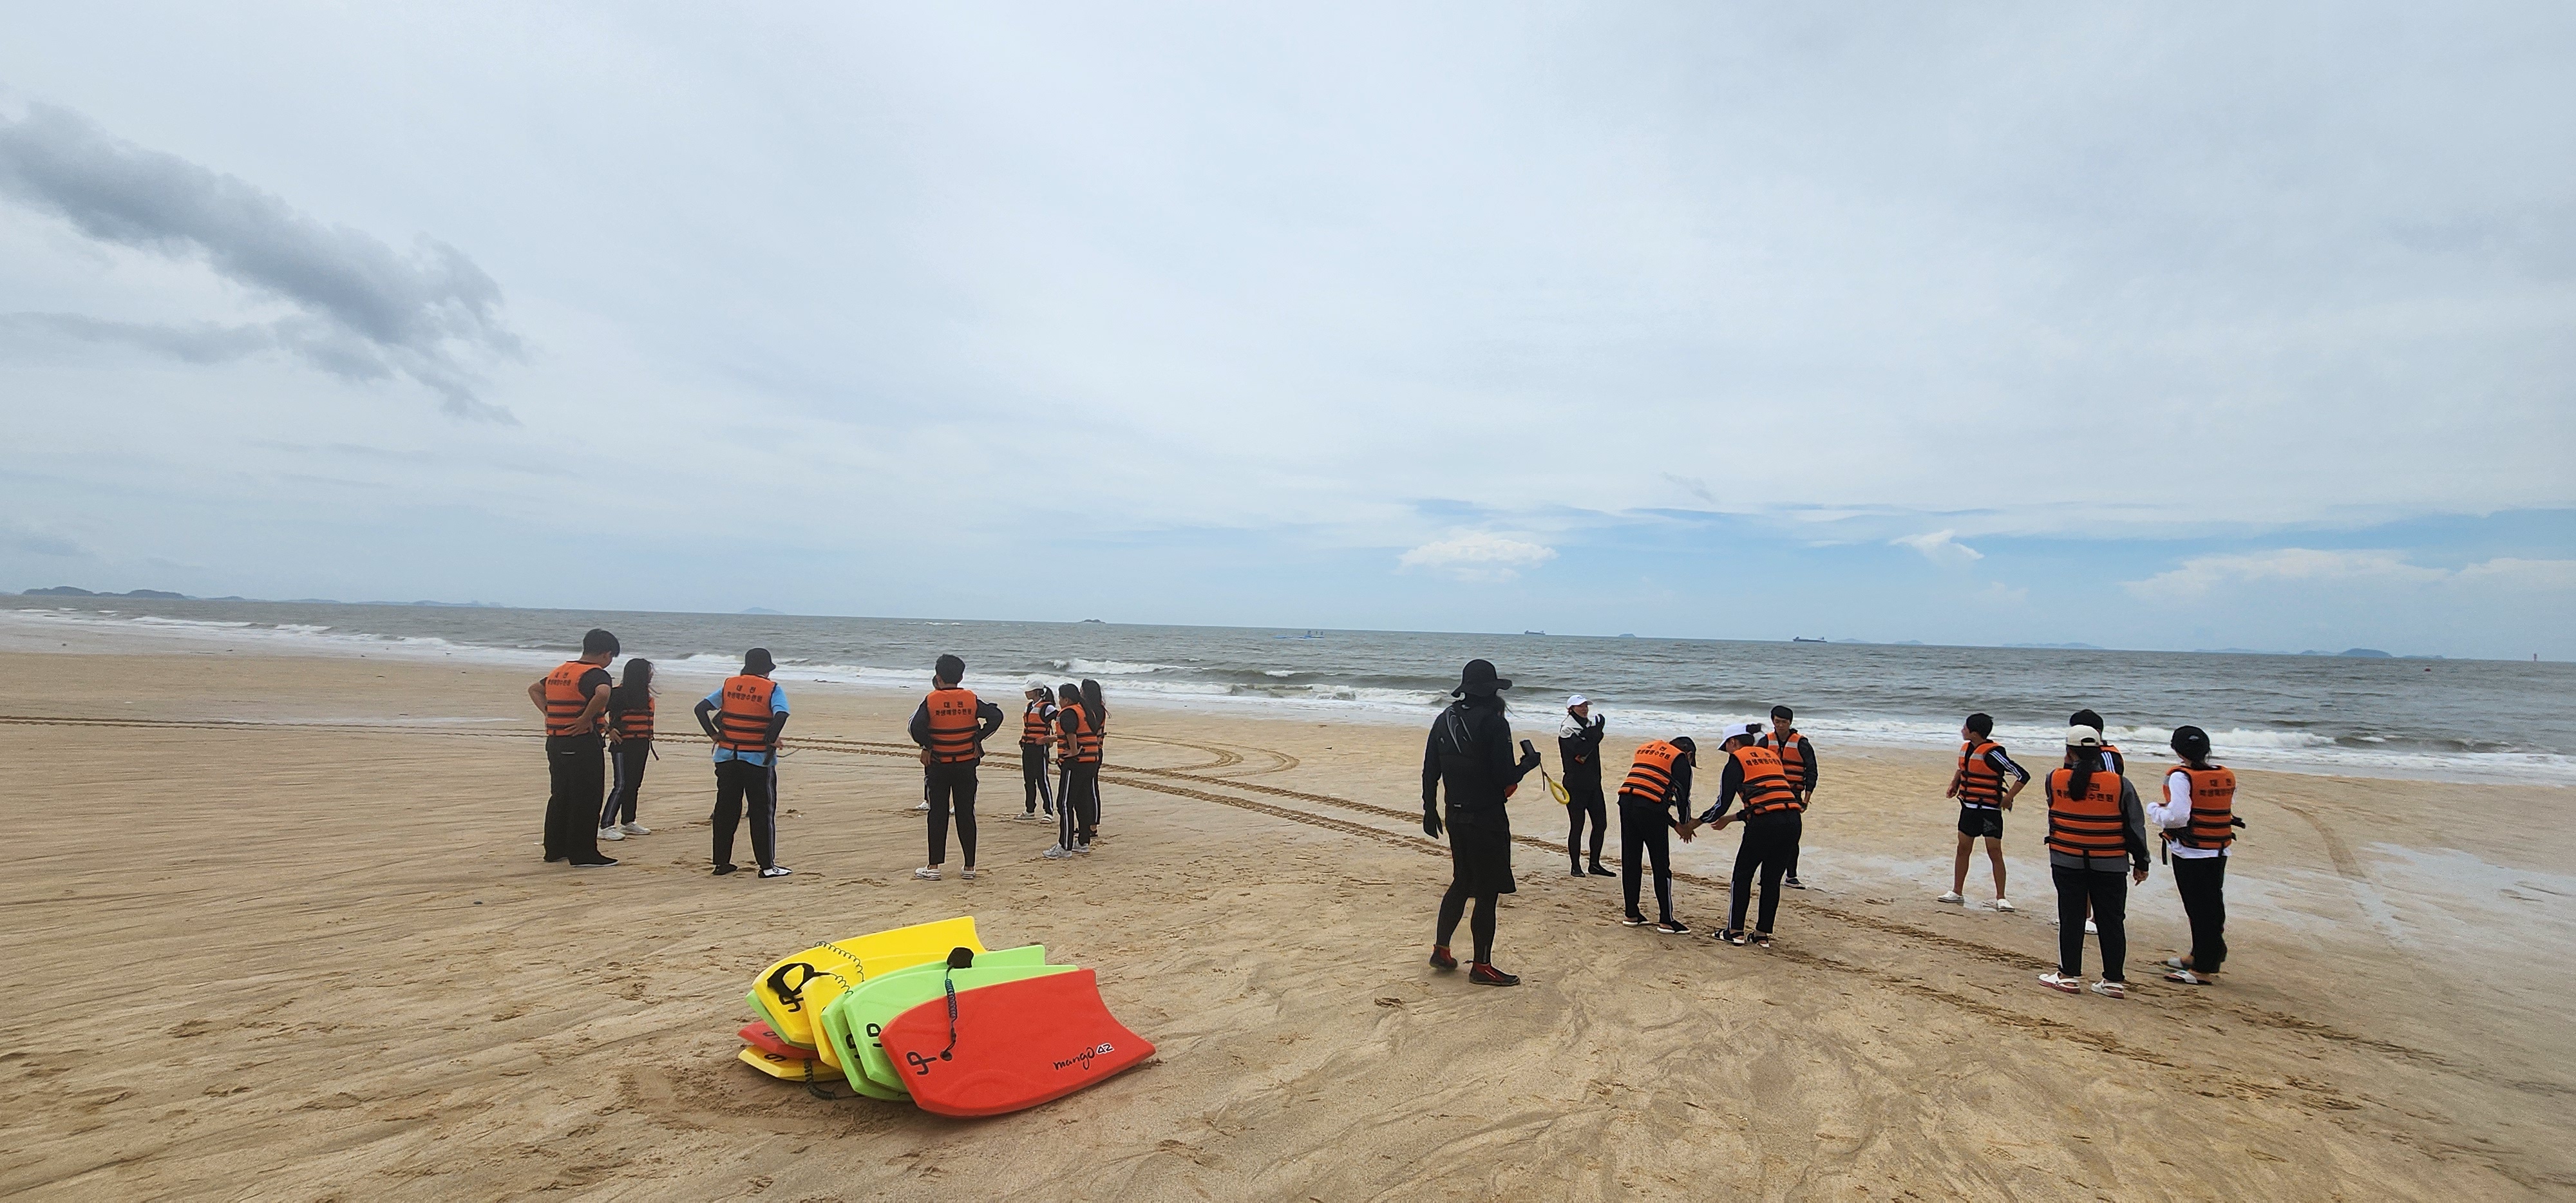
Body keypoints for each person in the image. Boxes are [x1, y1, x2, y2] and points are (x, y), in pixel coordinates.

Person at [1421, 659, 1544, 987]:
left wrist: (1429, 809)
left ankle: (1442, 950)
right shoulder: (1494, 723)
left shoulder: (1444, 718)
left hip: (1454, 813)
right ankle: (1482, 966)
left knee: (1462, 881)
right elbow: (1505, 776)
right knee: (1487, 892)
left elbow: (1430, 768)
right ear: (1492, 691)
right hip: (1486, 816)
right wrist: (1528, 765)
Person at [2038, 726, 2151, 998]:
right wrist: (2142, 862)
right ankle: (2113, 981)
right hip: (2110, 861)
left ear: (2069, 751)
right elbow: (2134, 826)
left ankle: (2068, 976)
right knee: (2112, 920)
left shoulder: (2054, 778)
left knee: (2071, 916)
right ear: (2101, 750)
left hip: (2067, 858)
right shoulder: (2121, 784)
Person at [1683, 722, 1806, 947]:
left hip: (1764, 825)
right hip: (1792, 820)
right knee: (1771, 880)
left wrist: (1697, 822)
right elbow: (1769, 799)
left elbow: (1722, 804)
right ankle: (1761, 935)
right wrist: (1731, 820)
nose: (1727, 752)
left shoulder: (1736, 760)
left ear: (1733, 742)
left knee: (1743, 874)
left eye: (1727, 747)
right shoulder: (1771, 757)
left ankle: (1735, 931)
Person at [694, 648, 791, 878]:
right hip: (757, 761)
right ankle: (767, 867)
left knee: (725, 811)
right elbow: (781, 715)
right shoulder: (772, 688)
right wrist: (771, 739)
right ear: (768, 669)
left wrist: (713, 734)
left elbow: (700, 709)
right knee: (762, 812)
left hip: (727, 758)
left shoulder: (729, 685)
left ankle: (721, 864)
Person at [909, 654, 1006, 881]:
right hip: (966, 765)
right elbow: (996, 716)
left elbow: (916, 727)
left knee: (937, 814)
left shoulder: (931, 700)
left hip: (939, 765)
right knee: (966, 813)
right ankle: (969, 867)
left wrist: (927, 746)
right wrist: (978, 738)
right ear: (961, 677)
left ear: (938, 677)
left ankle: (933, 867)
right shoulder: (971, 699)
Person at [2152, 725, 2237, 985]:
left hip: (2192, 851)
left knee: (2200, 908)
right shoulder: (2225, 775)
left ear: (2176, 749)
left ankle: (2204, 966)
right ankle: (2201, 954)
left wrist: (2154, 810)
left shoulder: (2181, 777)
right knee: (2211, 904)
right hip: (2218, 848)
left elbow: (2178, 816)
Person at [530, 629, 621, 867]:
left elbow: (535, 689)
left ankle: (555, 849)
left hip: (555, 740)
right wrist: (585, 718)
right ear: (606, 654)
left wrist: (549, 713)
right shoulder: (596, 674)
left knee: (561, 795)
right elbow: (603, 693)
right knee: (587, 798)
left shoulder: (562, 670)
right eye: (611, 657)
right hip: (581, 742)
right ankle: (583, 854)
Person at [1939, 712, 2029, 909]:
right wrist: (1954, 785)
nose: (1962, 730)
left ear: (1975, 733)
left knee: (1994, 851)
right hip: (1969, 808)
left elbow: (2023, 775)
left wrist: (2008, 798)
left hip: (1990, 810)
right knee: (1963, 848)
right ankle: (1957, 892)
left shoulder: (1994, 753)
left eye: (1965, 728)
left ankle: (2001, 897)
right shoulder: (1966, 749)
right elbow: (1963, 768)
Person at [1614, 735, 1696, 934]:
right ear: (1690, 754)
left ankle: (1631, 914)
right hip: (1650, 809)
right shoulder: (1680, 759)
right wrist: (1684, 825)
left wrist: (1673, 824)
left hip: (1626, 802)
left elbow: (1647, 791)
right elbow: (1683, 797)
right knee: (1661, 865)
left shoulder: (1646, 749)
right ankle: (1666, 920)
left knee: (1631, 860)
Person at [2069, 708, 2126, 934]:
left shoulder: (2107, 756)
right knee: (2081, 870)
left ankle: (2095, 918)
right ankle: (2083, 916)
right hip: (2082, 820)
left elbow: (2113, 785)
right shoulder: (2078, 755)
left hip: (2104, 822)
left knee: (2098, 871)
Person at [1759, 706, 1819, 888]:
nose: (1780, 725)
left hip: (1793, 795)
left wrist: (1806, 800)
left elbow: (1812, 772)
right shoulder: (1765, 741)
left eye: (1784, 722)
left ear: (1790, 723)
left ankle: (1791, 877)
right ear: (1773, 721)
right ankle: (1766, 875)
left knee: (1792, 836)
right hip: (1769, 793)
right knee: (1767, 835)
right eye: (1777, 722)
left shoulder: (1802, 743)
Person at [599, 658, 656, 841]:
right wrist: (608, 730)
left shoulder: (645, 696)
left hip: (642, 744)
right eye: (649, 671)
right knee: (621, 785)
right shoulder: (618, 694)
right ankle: (606, 825)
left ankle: (628, 821)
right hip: (623, 745)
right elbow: (597, 714)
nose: (651, 674)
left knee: (634, 784)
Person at [1043, 683, 1102, 858]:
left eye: (1060, 698)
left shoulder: (1069, 712)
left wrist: (1074, 750)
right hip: (1090, 761)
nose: (1059, 702)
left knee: (1065, 803)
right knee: (1082, 801)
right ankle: (1083, 842)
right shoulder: (1086, 710)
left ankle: (1065, 845)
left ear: (1066, 699)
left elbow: (1070, 733)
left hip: (1076, 762)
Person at [1558, 695, 1612, 877]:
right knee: (1577, 825)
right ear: (1571, 709)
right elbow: (1581, 750)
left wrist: (1596, 733)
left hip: (1594, 783)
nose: (1584, 708)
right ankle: (1575, 866)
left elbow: (1591, 741)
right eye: (1579, 706)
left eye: (1585, 705)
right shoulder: (1567, 729)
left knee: (1601, 824)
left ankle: (1595, 864)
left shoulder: (1588, 726)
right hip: (1575, 784)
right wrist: (1597, 734)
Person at [1018, 677, 1057, 819]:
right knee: (1028, 779)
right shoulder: (1029, 706)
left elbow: (1061, 720)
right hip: (1027, 747)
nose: (1026, 693)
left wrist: (1051, 737)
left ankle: (1049, 811)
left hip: (1040, 748)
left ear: (1035, 692)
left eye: (1028, 690)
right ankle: (1030, 810)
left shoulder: (1048, 707)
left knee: (1042, 779)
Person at [1081, 678, 1110, 830]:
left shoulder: (1097, 710)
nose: (1080, 693)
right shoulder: (1089, 709)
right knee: (1085, 788)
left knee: (1092, 787)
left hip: (1095, 751)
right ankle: (1086, 821)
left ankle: (1093, 825)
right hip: (1087, 751)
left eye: (1082, 690)